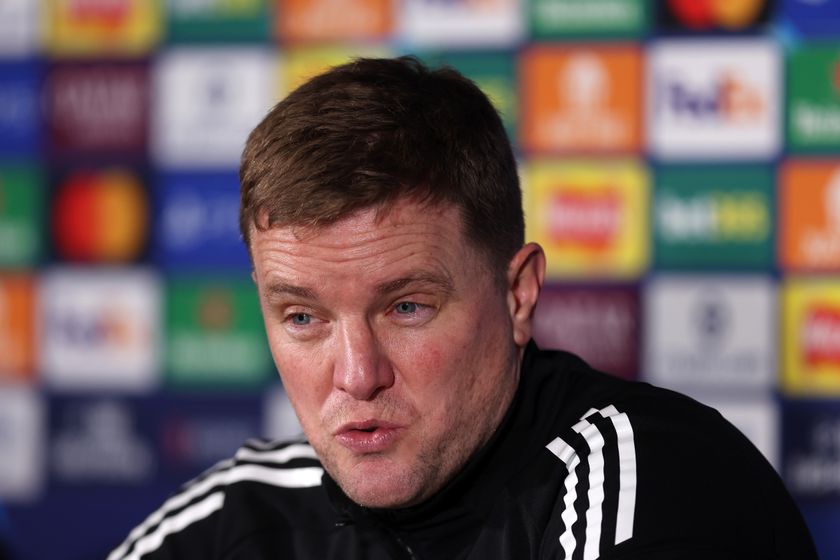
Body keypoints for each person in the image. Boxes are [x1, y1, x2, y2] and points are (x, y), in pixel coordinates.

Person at [109, 56, 817, 560]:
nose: (356, 376)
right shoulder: (247, 514)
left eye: (407, 307)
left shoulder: (652, 486)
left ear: (518, 295)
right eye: (303, 318)